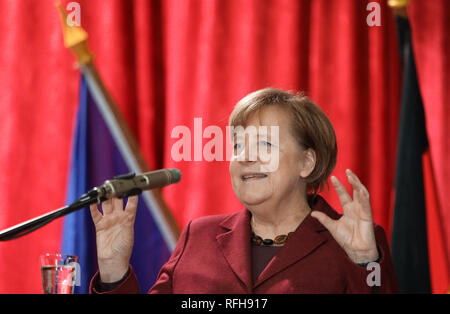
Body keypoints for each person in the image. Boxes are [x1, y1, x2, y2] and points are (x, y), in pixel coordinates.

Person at [89, 88, 398, 293]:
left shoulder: (357, 244)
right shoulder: (199, 236)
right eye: (238, 146)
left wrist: (364, 262)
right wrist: (114, 270)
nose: (246, 157)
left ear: (307, 162)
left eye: (264, 144)